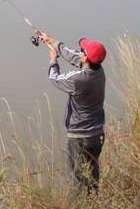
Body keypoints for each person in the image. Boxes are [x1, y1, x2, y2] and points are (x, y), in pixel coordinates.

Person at [38, 32, 107, 192]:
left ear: (86, 58)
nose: (80, 52)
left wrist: (53, 60)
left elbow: (54, 78)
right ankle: (93, 205)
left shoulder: (78, 80)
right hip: (97, 135)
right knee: (92, 174)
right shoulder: (99, 71)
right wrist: (52, 41)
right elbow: (74, 56)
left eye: (83, 51)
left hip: (79, 137)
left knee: (76, 177)